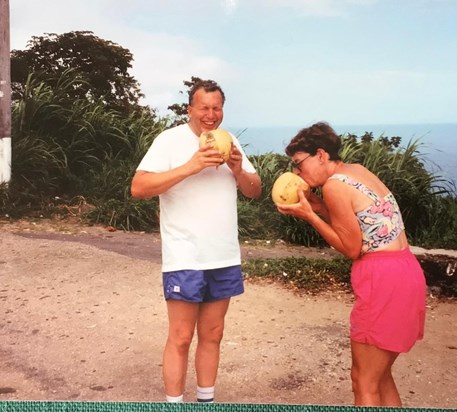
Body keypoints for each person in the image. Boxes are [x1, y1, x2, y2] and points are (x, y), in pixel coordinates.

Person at [275, 121, 426, 407]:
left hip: (381, 280)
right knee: (380, 378)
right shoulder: (357, 171)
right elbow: (361, 227)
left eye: (299, 164)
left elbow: (352, 248)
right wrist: (320, 207)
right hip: (406, 271)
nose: (297, 173)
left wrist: (311, 217)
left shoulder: (334, 186)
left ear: (320, 155)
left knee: (363, 382)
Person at [131, 79, 261, 403]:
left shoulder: (230, 143)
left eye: (217, 108)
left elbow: (254, 189)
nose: (211, 114)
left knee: (213, 334)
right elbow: (139, 187)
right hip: (185, 255)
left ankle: (206, 402)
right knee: (181, 336)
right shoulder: (169, 140)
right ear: (190, 109)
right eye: (204, 107)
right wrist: (191, 166)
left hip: (224, 255)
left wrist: (237, 168)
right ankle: (174, 406)